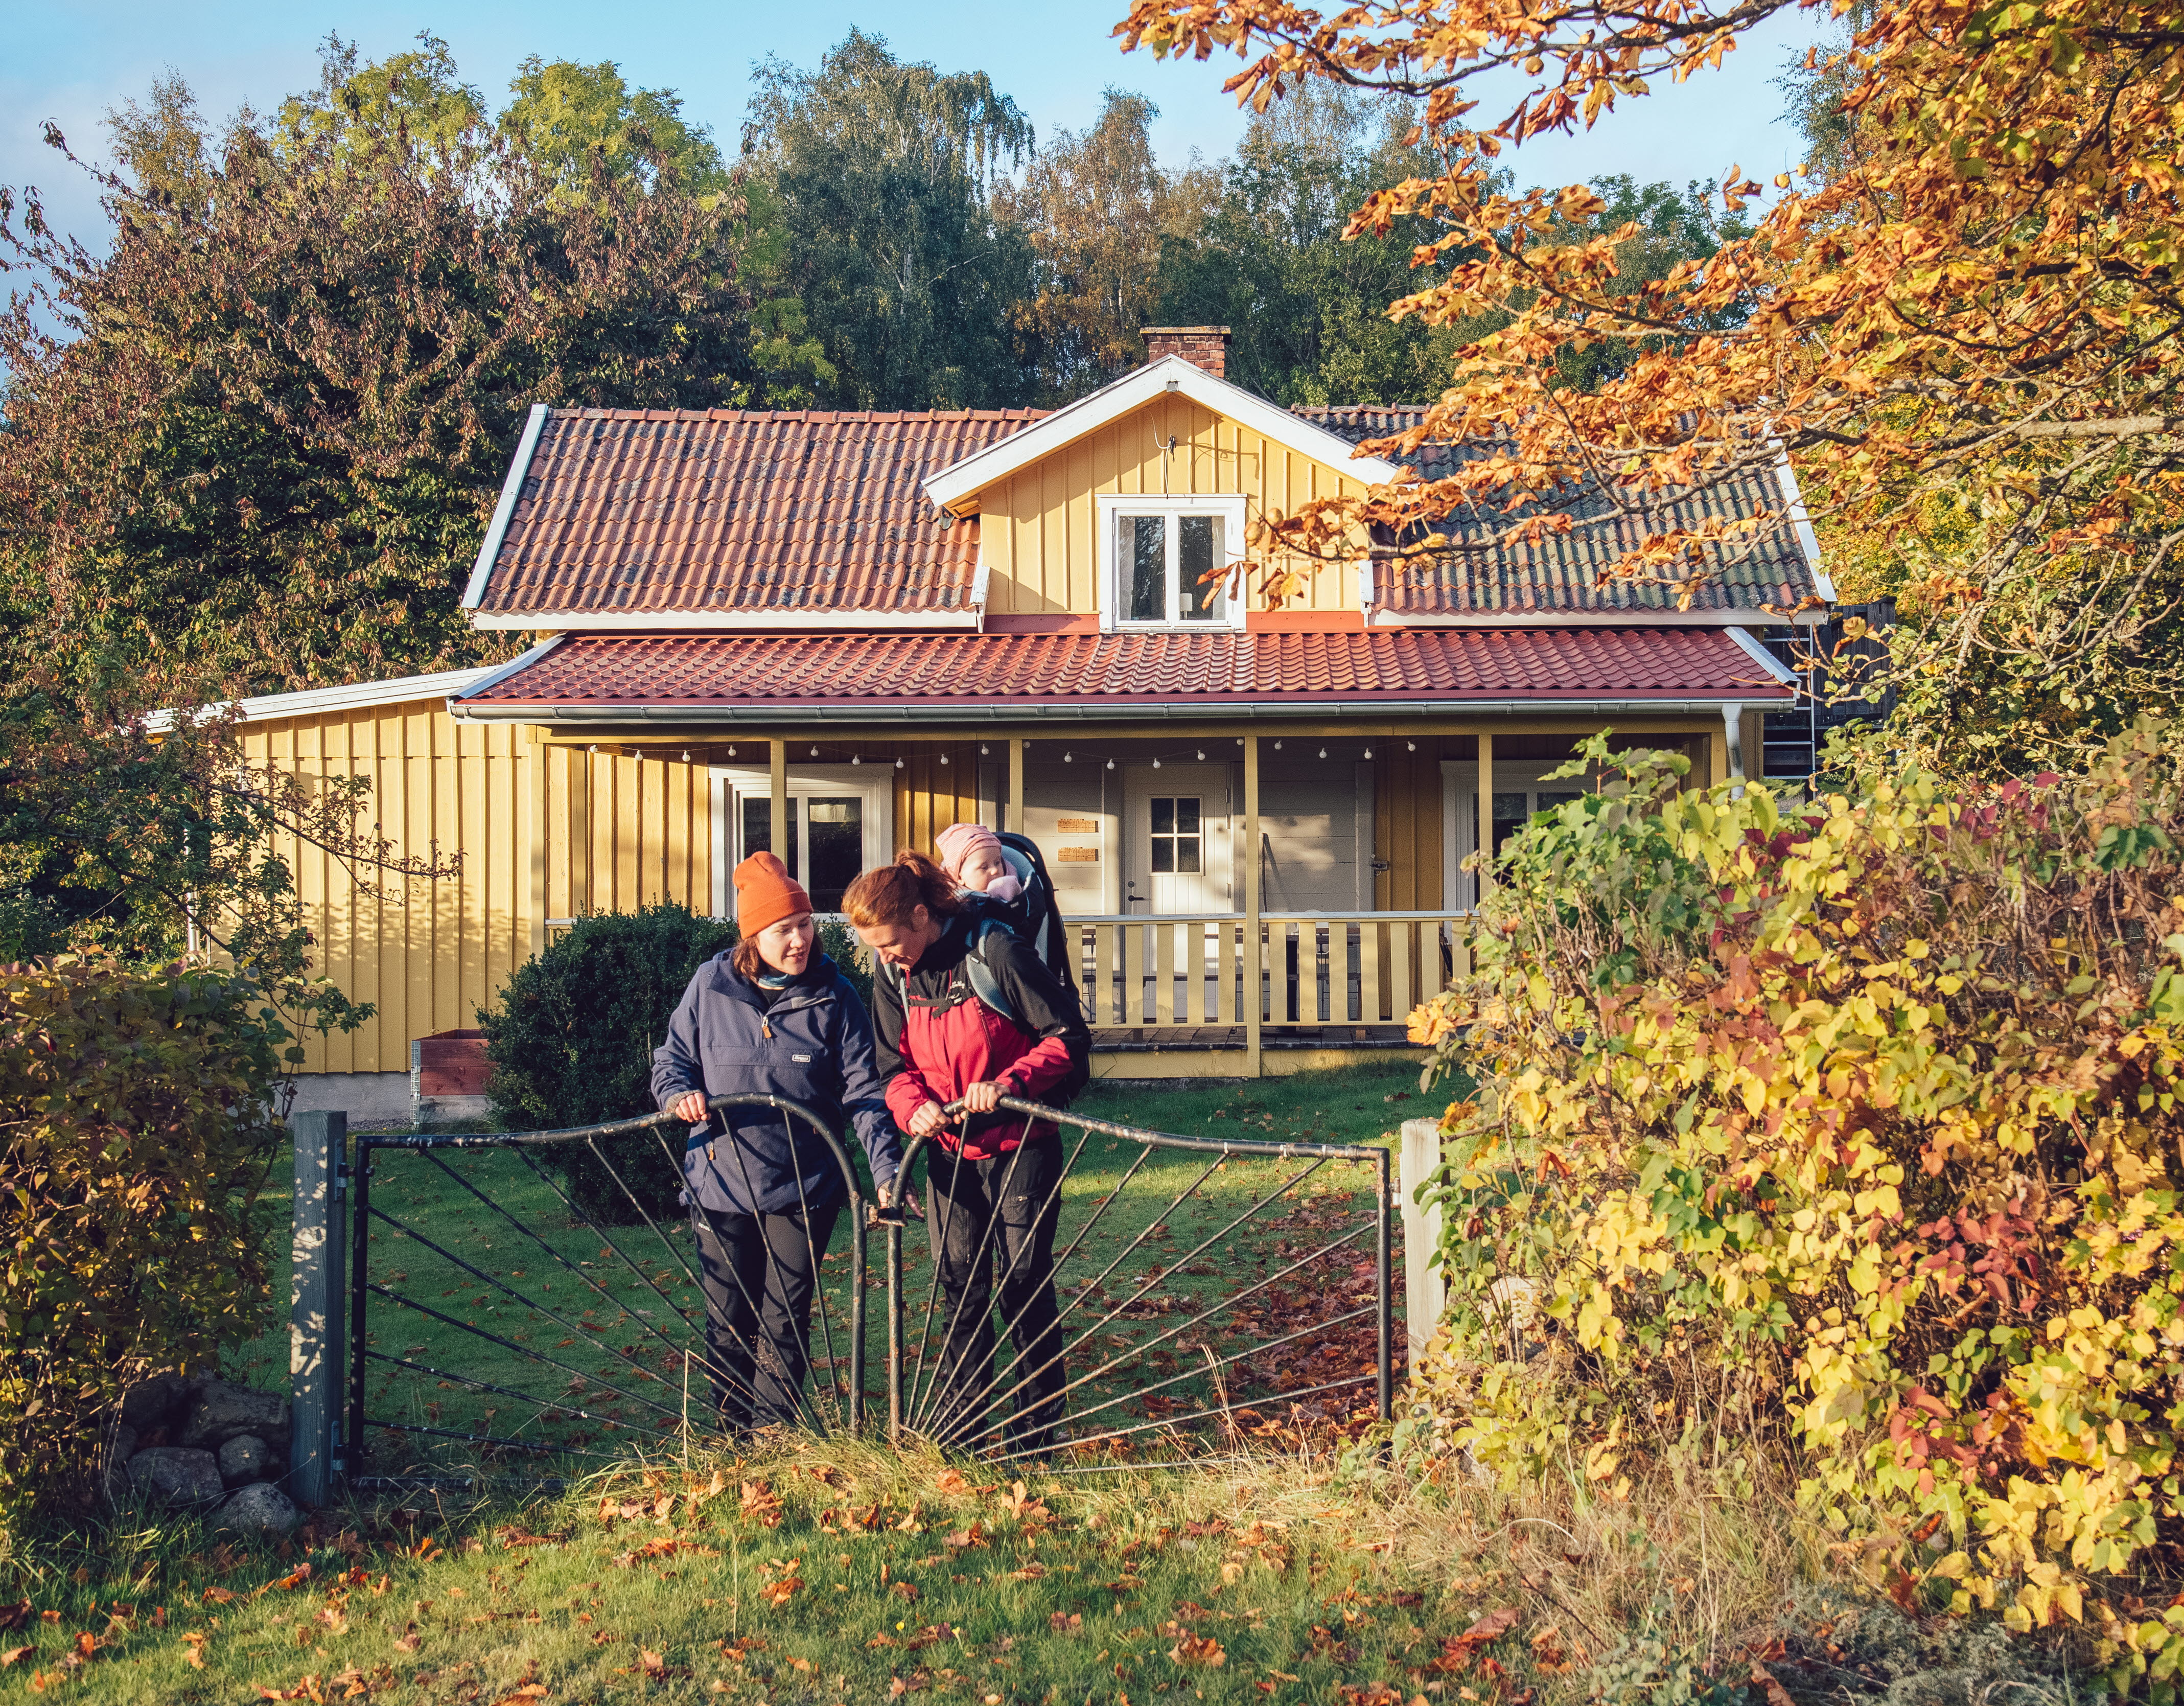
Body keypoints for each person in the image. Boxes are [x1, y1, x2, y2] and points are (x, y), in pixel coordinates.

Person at [845, 852, 1091, 1453]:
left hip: (1021, 1144)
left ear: (920, 916)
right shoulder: (893, 975)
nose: (885, 957)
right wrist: (912, 1108)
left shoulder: (995, 951)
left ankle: (1035, 1436)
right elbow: (890, 1068)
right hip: (949, 1153)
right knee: (959, 1288)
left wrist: (1008, 1083)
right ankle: (963, 1434)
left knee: (1022, 1283)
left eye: (889, 943)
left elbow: (1067, 1037)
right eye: (875, 949)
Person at [652, 851, 901, 1434]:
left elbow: (865, 1091)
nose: (799, 940)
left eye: (805, 924)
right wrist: (677, 1093)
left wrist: (885, 1169)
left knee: (785, 1319)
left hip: (804, 1185)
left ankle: (772, 1436)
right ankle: (731, 1434)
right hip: (720, 1181)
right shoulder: (709, 986)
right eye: (783, 929)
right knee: (728, 1318)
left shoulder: (835, 995)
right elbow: (672, 1059)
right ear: (753, 937)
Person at [933, 821, 1077, 1001]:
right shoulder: (945, 906)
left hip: (1019, 976)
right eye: (984, 867)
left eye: (997, 862)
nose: (995, 870)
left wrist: (1009, 893)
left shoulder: (1012, 892)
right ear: (959, 876)